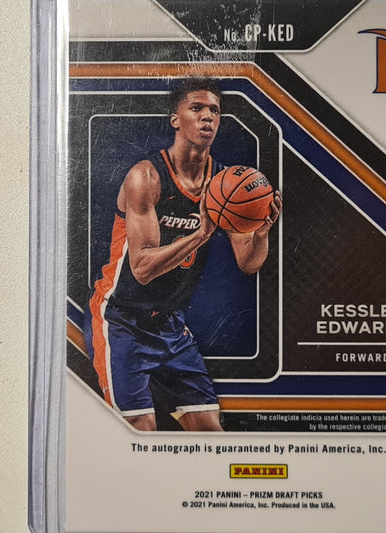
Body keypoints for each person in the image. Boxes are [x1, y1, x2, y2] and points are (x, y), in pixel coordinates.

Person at [84, 78, 281, 431]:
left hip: (170, 326)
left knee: (210, 434)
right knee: (140, 433)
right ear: (175, 119)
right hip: (122, 320)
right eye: (196, 108)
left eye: (214, 110)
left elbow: (248, 263)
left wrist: (262, 234)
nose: (207, 116)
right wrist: (201, 234)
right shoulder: (146, 177)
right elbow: (142, 268)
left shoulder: (224, 185)